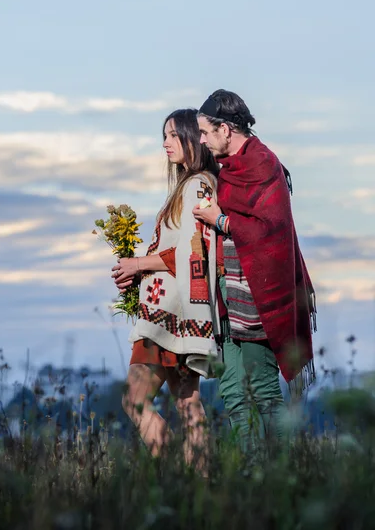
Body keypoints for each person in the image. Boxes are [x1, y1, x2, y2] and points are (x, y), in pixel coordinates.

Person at [193, 89, 316, 450]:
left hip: (261, 299)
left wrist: (221, 220)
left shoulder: (262, 164)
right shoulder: (230, 168)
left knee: (263, 389)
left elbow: (271, 230)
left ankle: (284, 473)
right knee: (232, 389)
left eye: (204, 131)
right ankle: (250, 474)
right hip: (231, 295)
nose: (201, 139)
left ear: (225, 130)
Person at [111, 108, 221, 471]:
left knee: (135, 401)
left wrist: (139, 264)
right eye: (164, 135)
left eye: (174, 135)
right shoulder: (193, 185)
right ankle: (201, 488)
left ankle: (177, 475)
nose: (165, 143)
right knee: (187, 403)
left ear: (194, 138)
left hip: (168, 318)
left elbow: (196, 249)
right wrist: (137, 272)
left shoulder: (197, 185)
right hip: (176, 312)